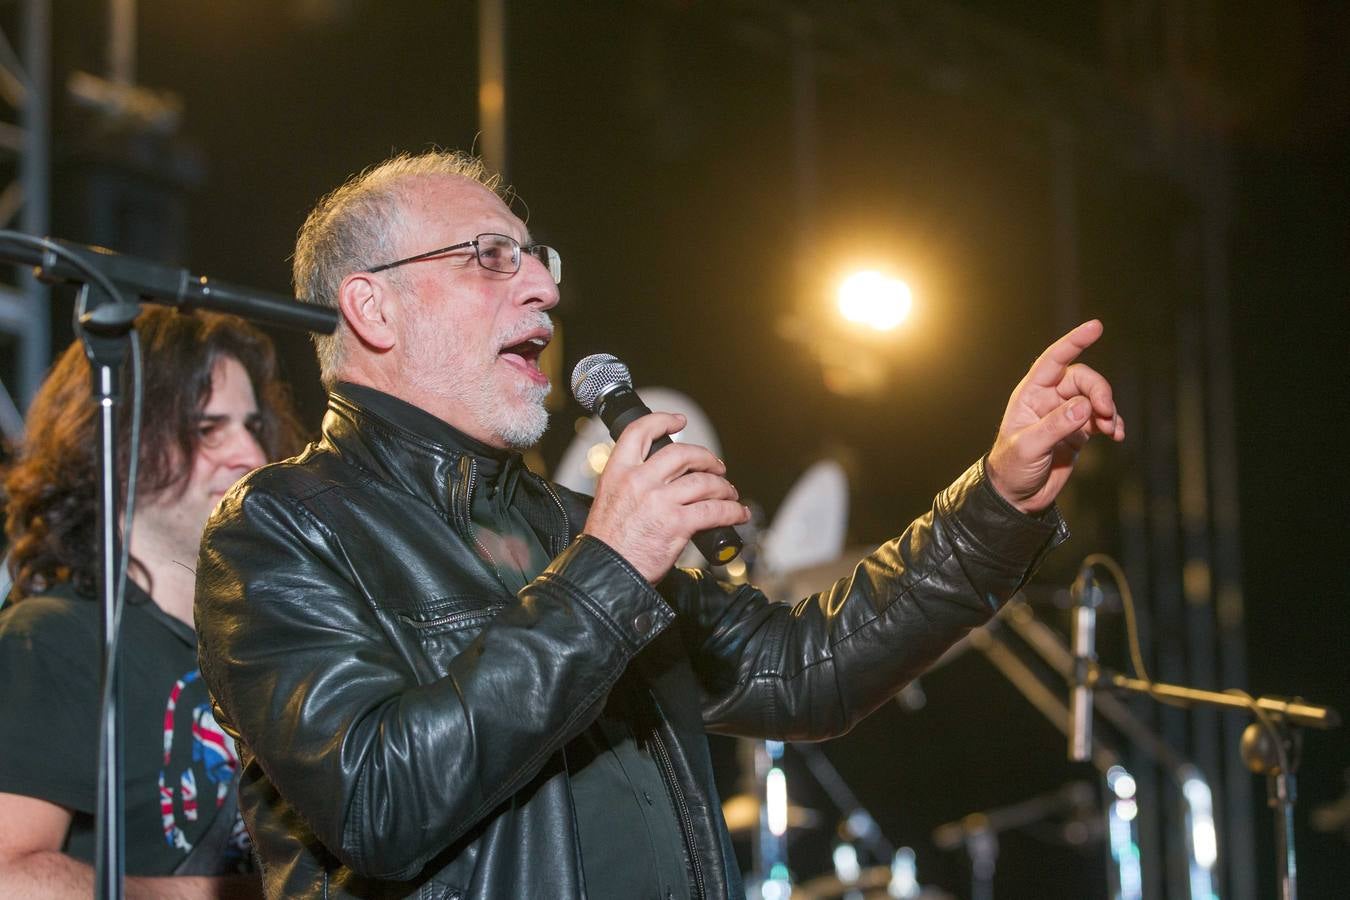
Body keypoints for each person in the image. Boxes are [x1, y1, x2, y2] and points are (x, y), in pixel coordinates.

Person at [195, 150, 1125, 899]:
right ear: (372, 306)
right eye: (489, 256)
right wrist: (609, 568)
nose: (544, 292)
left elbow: (799, 672)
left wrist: (999, 503)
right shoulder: (277, 530)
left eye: (538, 259)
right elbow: (377, 802)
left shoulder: (566, 524)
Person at [0, 307, 301, 897]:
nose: (248, 451)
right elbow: (9, 877)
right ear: (117, 444)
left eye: (252, 425)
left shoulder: (261, 640)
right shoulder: (52, 639)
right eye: (208, 428)